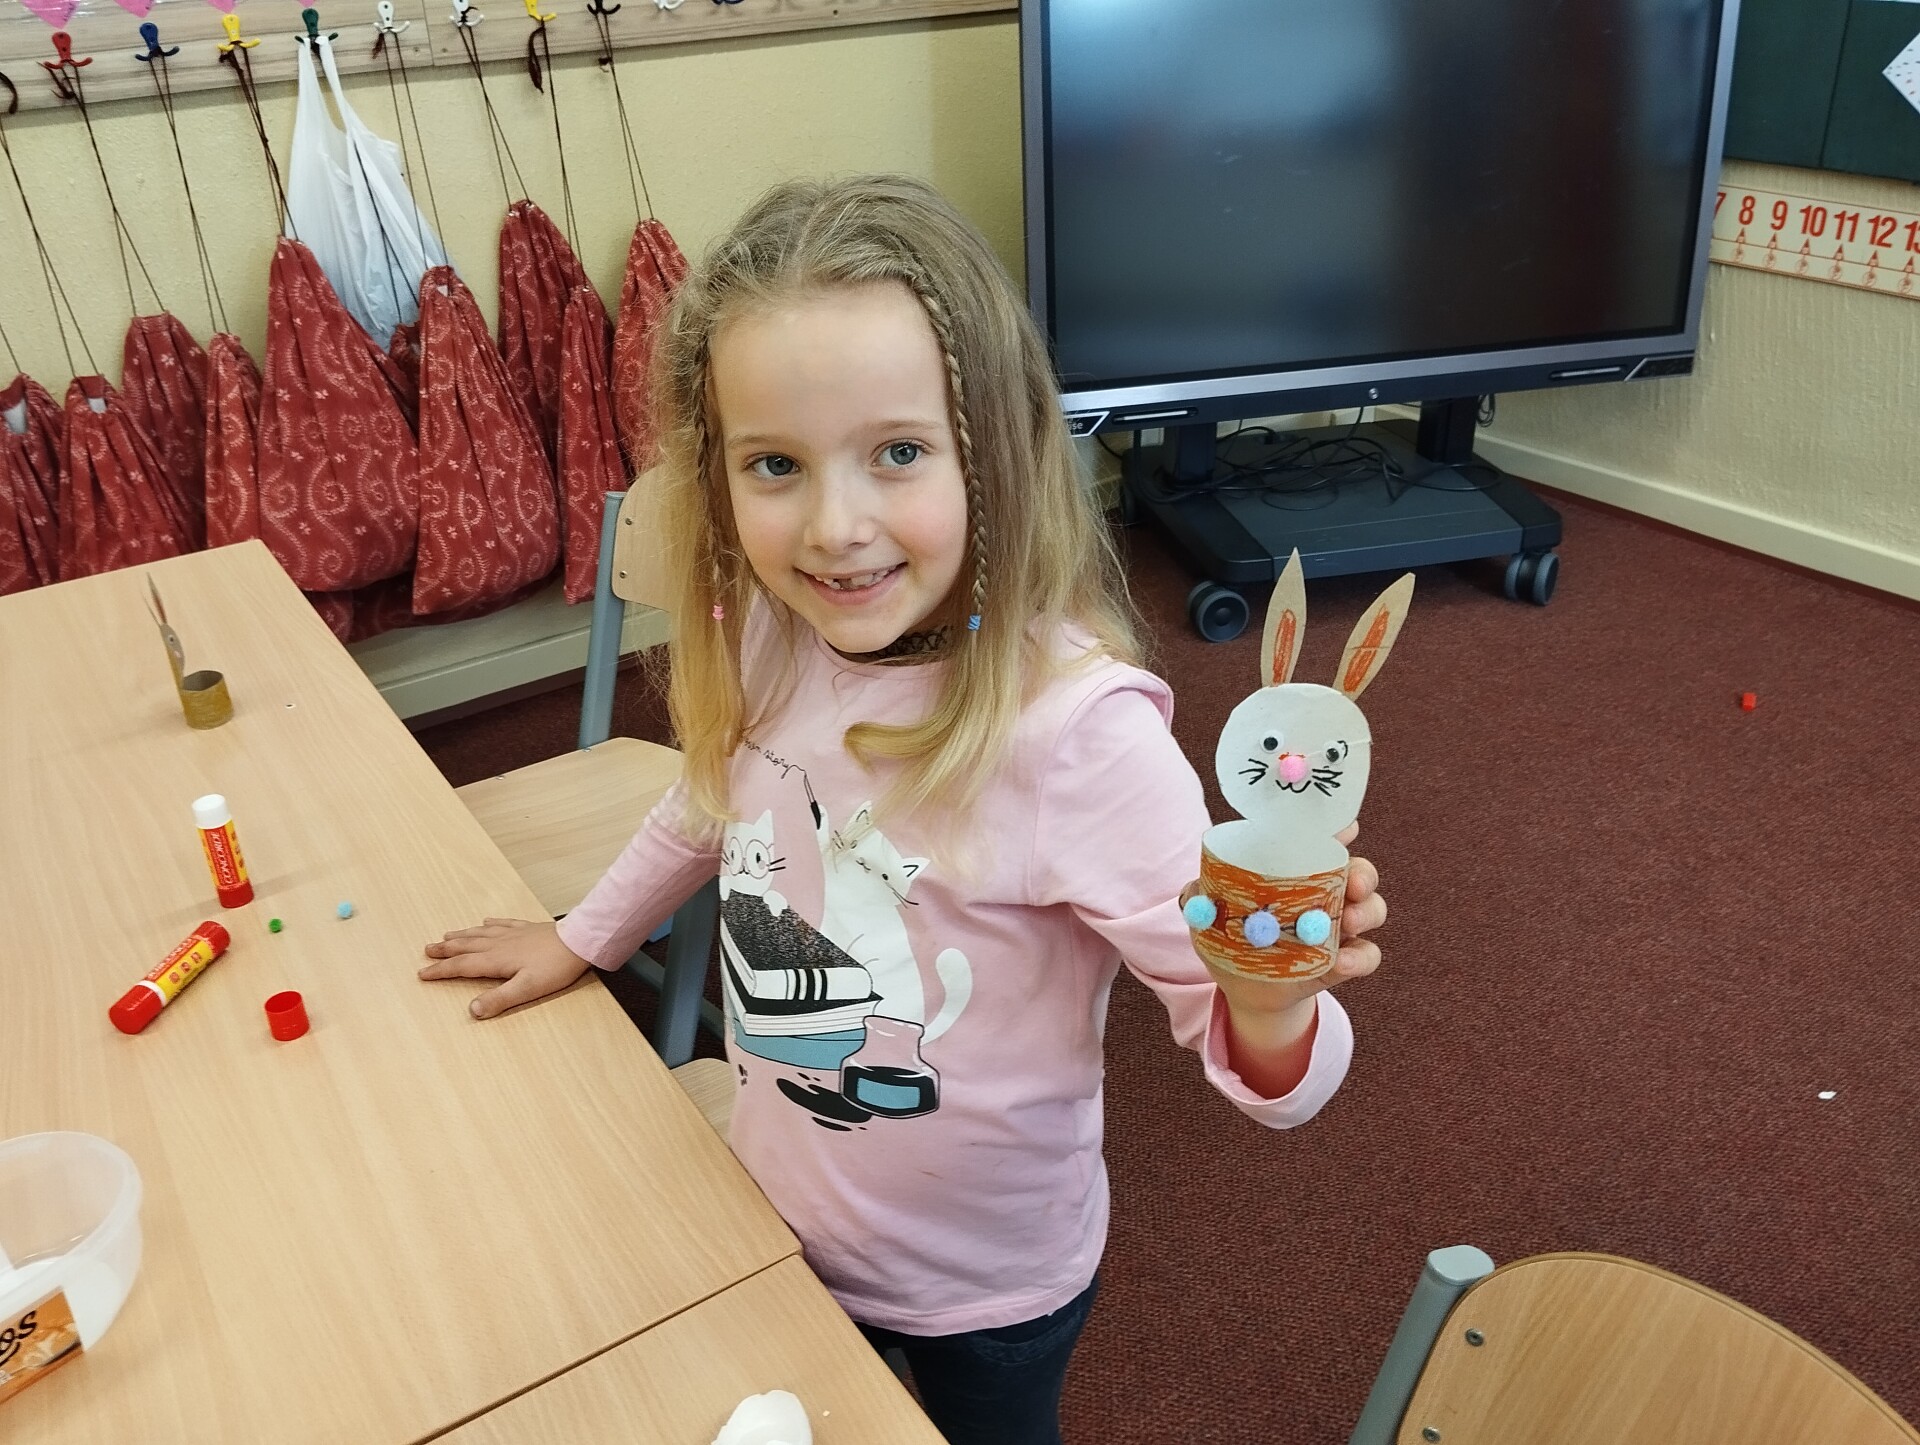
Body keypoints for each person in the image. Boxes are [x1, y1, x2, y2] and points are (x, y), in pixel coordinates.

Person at [421, 175, 1387, 1445]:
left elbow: (1277, 1085)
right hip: (783, 1211)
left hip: (989, 1288)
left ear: (993, 448)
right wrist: (583, 937)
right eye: (776, 464)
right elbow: (710, 803)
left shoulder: (1081, 739)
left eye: (898, 452)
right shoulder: (774, 630)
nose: (835, 528)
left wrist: (1269, 1003)